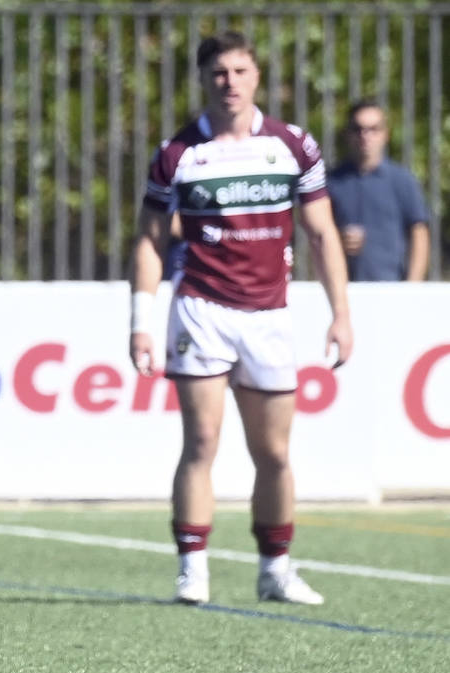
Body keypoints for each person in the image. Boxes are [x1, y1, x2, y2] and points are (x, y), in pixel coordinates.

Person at [127, 32, 354, 606]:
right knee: (201, 441)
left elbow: (323, 233)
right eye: (218, 73)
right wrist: (140, 321)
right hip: (201, 310)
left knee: (274, 453)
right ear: (204, 81)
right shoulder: (178, 153)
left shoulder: (292, 145)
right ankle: (192, 569)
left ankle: (275, 568)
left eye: (240, 71)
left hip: (269, 317)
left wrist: (340, 316)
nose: (230, 82)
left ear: (257, 77)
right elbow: (151, 241)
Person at [326, 99, 431, 282]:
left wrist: (412, 287)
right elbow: (317, 233)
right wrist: (337, 240)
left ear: (386, 134)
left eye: (374, 129)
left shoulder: (402, 180)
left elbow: (419, 232)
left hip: (391, 289)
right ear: (347, 134)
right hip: (344, 288)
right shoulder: (332, 181)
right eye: (358, 129)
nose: (365, 135)